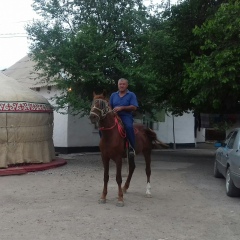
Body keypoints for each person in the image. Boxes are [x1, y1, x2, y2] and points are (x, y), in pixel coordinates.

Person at [110, 78, 139, 155]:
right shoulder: (113, 95)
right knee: (102, 127)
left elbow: (134, 107)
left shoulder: (131, 94)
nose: (121, 86)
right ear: (118, 85)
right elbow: (110, 106)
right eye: (120, 84)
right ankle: (106, 146)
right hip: (114, 115)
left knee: (129, 127)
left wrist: (122, 108)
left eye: (123, 84)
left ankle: (132, 148)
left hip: (126, 115)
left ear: (127, 85)